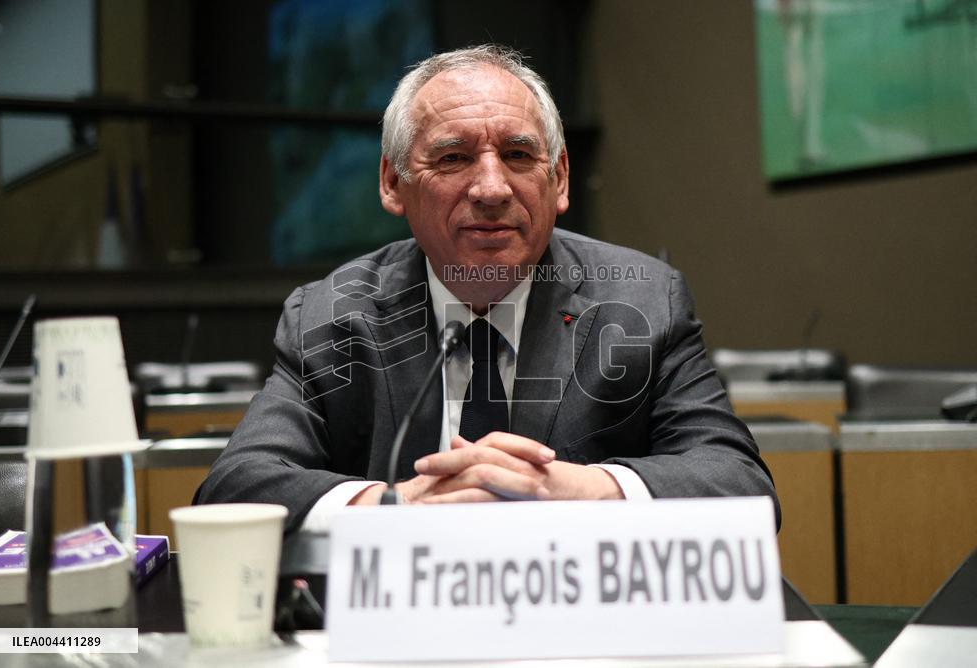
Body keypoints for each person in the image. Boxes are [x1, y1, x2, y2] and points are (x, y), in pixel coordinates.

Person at [195, 45, 779, 531]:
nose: (493, 188)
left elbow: (741, 484)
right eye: (453, 157)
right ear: (393, 183)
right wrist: (396, 508)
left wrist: (585, 491)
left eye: (520, 155)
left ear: (560, 178)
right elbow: (235, 487)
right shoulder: (330, 316)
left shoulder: (646, 301)